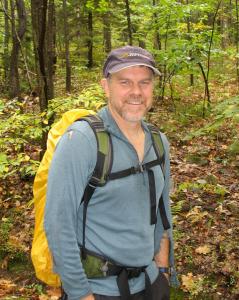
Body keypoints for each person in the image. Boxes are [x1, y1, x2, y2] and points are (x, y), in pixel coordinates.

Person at [45, 45, 177, 300]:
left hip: (150, 283)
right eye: (125, 82)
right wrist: (80, 293)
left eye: (144, 83)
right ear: (106, 86)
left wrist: (162, 270)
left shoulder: (159, 142)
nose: (136, 92)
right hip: (99, 290)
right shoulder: (81, 141)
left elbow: (161, 210)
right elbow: (58, 225)